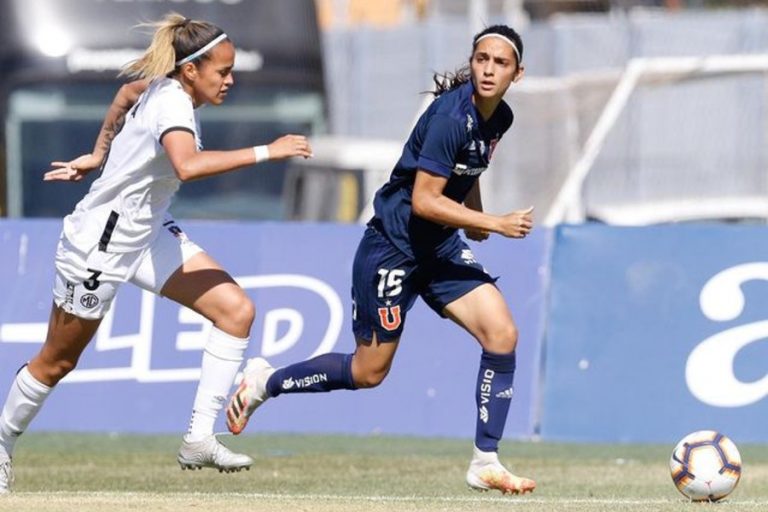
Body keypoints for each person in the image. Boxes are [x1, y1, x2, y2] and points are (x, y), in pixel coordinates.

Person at [0, 12, 312, 493]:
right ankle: (1, 442)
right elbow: (186, 167)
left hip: (145, 234)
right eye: (222, 72)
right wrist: (268, 151)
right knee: (57, 361)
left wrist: (99, 153)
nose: (229, 81)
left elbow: (127, 93)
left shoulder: (165, 91)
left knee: (236, 311)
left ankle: (198, 439)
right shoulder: (173, 106)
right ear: (190, 71)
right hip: (98, 245)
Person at [225, 24, 536, 495]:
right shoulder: (451, 116)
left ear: (518, 72)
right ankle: (265, 382)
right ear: (471, 62)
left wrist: (472, 217)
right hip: (393, 247)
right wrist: (493, 222)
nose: (489, 69)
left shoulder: (501, 117)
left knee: (502, 333)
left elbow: (467, 168)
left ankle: (485, 461)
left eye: (500, 63)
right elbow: (425, 200)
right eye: (481, 59)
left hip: (440, 247)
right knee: (368, 372)